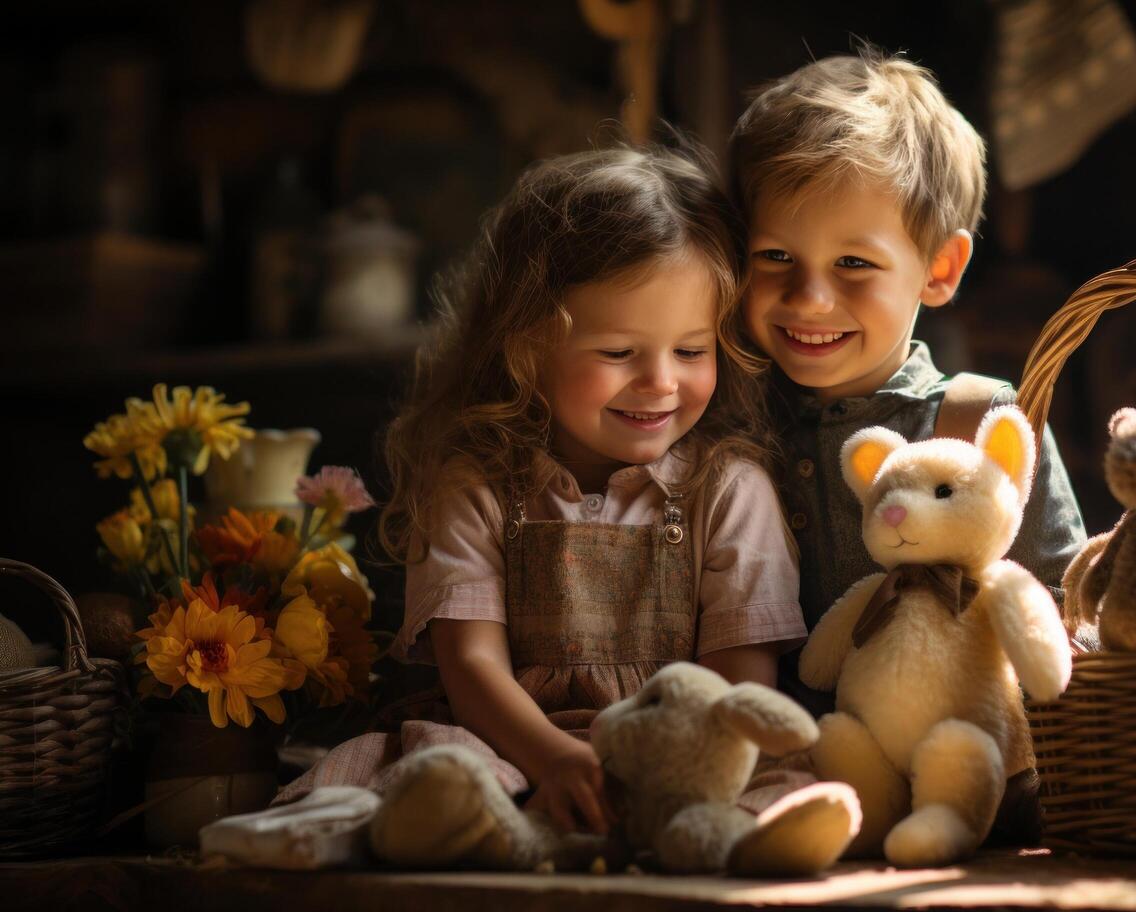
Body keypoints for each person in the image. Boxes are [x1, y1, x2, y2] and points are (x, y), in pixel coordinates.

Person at [281, 143, 821, 837]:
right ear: (526, 347)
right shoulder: (476, 482)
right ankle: (482, 835)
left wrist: (662, 767)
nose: (661, 382)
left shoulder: (729, 489)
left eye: (691, 350)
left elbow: (735, 684)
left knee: (776, 784)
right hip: (509, 739)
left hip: (677, 751)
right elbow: (471, 663)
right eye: (618, 353)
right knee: (445, 774)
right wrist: (557, 758)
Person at [727, 51, 1089, 843]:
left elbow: (1064, 605)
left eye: (853, 264)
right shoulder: (727, 421)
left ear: (939, 269)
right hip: (776, 789)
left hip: (965, 793)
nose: (808, 298)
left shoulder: (980, 424)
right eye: (774, 258)